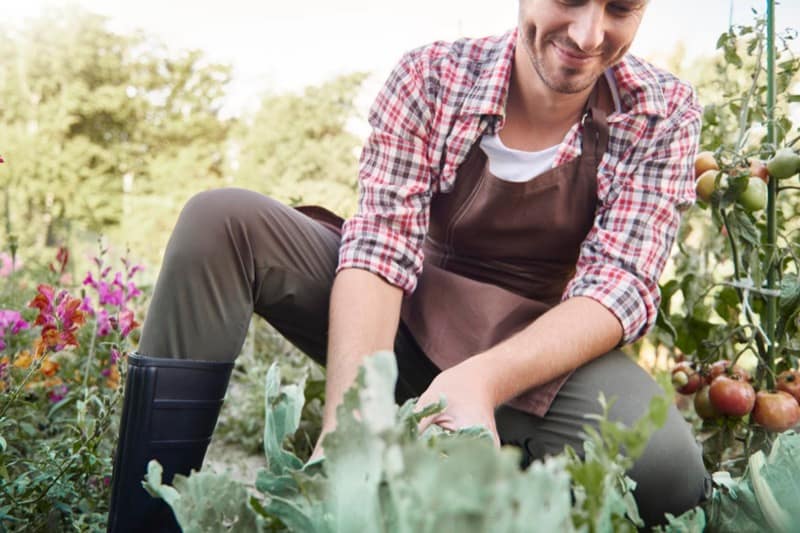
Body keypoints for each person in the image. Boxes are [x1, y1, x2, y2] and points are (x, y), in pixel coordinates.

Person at [107, 1, 712, 530]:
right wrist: (350, 422)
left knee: (670, 476)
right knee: (221, 222)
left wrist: (481, 381)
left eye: (621, 8)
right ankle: (145, 520)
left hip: (535, 353)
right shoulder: (432, 76)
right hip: (399, 315)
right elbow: (378, 249)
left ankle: (481, 449)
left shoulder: (662, 111)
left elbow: (620, 285)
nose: (587, 34)